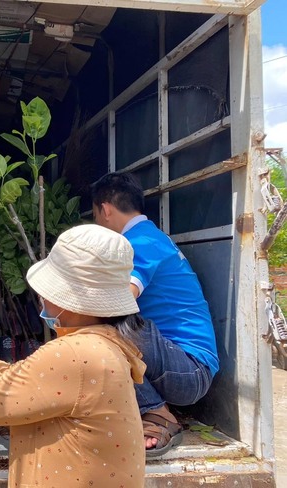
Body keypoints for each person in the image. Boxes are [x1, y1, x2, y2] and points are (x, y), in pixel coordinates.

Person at [0, 224, 146, 488]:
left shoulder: (75, 354)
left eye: (50, 290)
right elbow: (25, 377)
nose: (42, 297)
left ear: (73, 302)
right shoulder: (103, 346)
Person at [91, 172, 219, 458]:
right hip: (180, 364)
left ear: (106, 209)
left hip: (190, 371)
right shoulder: (151, 237)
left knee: (102, 325)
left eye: (95, 215)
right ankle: (150, 407)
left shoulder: (140, 242)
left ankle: (159, 414)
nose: (97, 223)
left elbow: (121, 297)